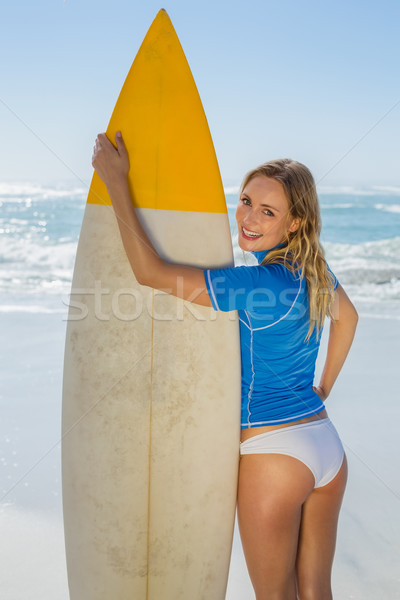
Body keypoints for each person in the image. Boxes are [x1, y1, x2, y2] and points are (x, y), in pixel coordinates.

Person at [92, 131, 358, 600]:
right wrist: (324, 387)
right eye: (246, 201)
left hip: (273, 453)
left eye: (268, 211)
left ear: (295, 222)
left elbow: (149, 273)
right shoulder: (313, 270)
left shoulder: (255, 283)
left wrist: (116, 181)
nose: (250, 218)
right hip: (325, 446)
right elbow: (349, 317)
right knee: (316, 592)